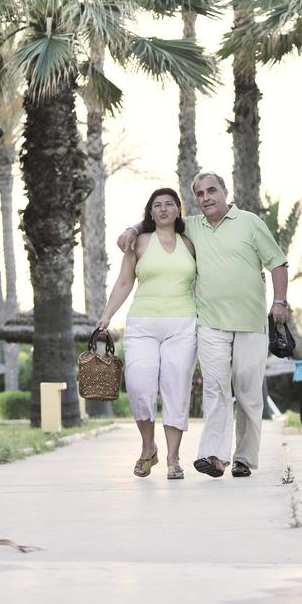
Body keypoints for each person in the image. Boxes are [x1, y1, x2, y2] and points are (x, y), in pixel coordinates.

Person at [118, 172, 288, 479]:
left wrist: (280, 302)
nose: (206, 197)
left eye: (212, 190)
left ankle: (244, 459)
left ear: (225, 192)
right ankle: (215, 456)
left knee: (249, 393)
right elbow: (158, 221)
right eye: (199, 193)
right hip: (210, 323)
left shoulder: (249, 222)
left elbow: (277, 262)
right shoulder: (192, 227)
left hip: (250, 323)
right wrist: (133, 227)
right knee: (215, 389)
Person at [97, 187, 197, 480]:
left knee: (177, 389)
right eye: (157, 205)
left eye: (169, 204)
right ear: (150, 213)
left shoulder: (190, 243)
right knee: (140, 386)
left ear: (178, 210)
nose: (163, 209)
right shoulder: (139, 242)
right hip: (142, 324)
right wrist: (105, 317)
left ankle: (174, 458)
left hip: (182, 324)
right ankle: (148, 447)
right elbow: (124, 283)